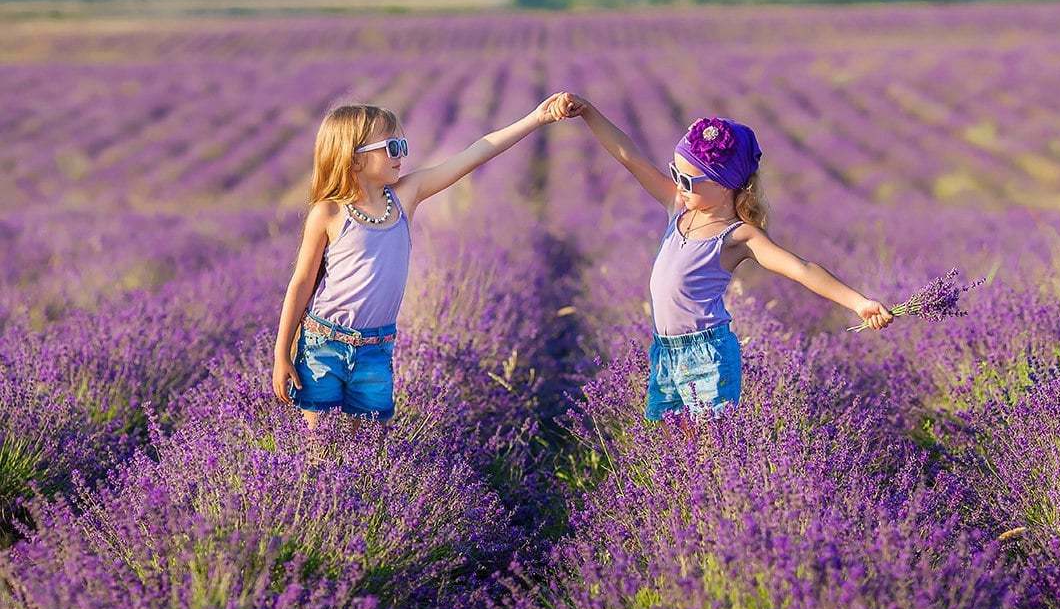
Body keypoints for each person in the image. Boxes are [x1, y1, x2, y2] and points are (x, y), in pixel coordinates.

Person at [561, 95, 894, 421]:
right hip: (666, 350)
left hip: (708, 356)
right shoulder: (678, 207)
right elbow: (629, 157)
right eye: (675, 174)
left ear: (724, 185)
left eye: (688, 180)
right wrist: (589, 112)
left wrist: (858, 302)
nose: (678, 184)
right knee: (675, 448)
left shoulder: (738, 236)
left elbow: (802, 269)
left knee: (711, 450)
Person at [272, 95, 573, 430]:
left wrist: (535, 118)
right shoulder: (328, 213)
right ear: (353, 158)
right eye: (391, 147)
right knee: (320, 447)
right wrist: (282, 352)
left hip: (376, 347)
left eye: (403, 144)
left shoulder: (404, 196)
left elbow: (475, 152)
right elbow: (301, 284)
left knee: (368, 447)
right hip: (323, 343)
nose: (402, 155)